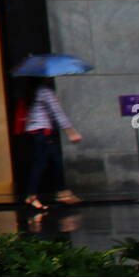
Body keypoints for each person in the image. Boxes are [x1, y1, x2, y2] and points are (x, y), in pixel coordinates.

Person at [22, 78, 83, 210]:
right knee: (42, 163)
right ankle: (33, 195)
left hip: (37, 131)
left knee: (53, 161)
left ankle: (62, 191)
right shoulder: (45, 91)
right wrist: (71, 131)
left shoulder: (32, 91)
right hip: (42, 132)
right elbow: (58, 113)